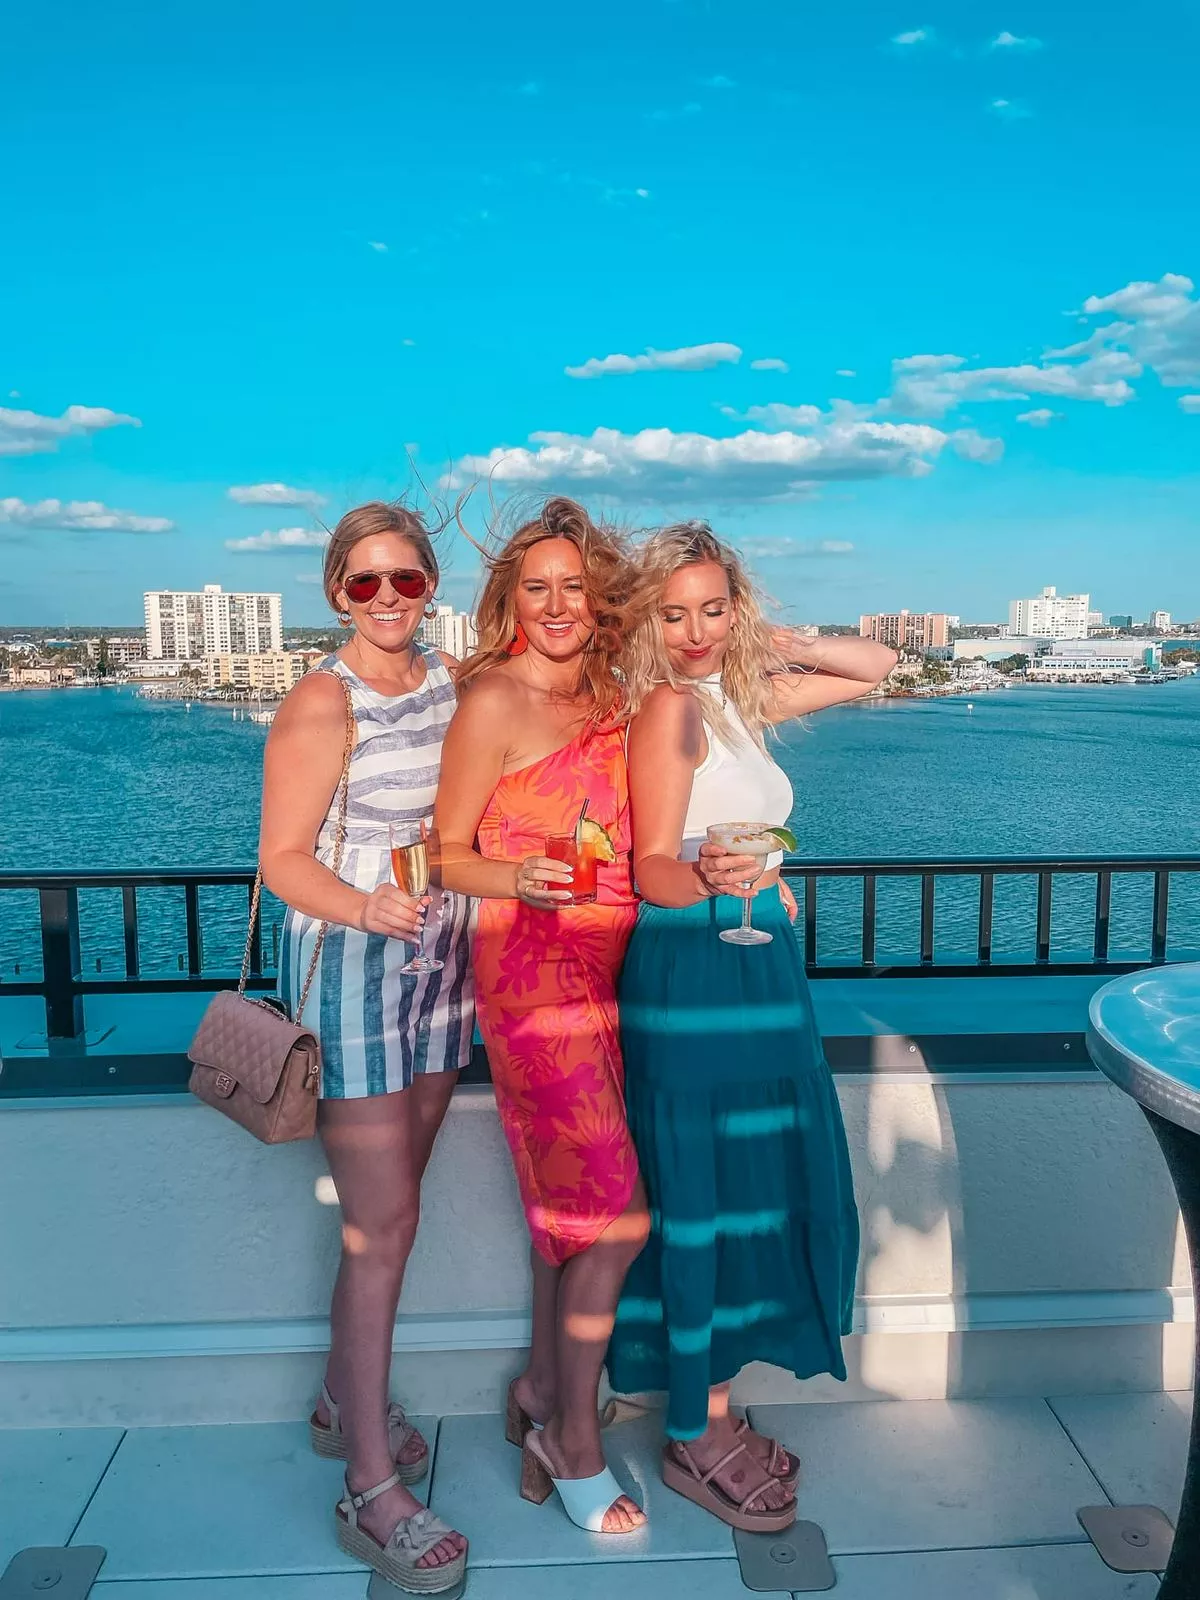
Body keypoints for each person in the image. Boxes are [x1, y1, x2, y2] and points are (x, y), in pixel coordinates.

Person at [607, 520, 897, 1532]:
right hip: (695, 964)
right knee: (703, 1195)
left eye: (713, 607)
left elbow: (877, 664)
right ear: (647, 620)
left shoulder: (733, 699)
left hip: (756, 955)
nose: (694, 630)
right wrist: (721, 877)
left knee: (754, 1181)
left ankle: (712, 1403)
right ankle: (693, 1429)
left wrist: (773, 640)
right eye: (674, 612)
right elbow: (650, 864)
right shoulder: (670, 711)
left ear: (738, 606)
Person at [260, 500, 471, 1595]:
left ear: (429, 585)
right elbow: (282, 861)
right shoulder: (318, 700)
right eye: (365, 583)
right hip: (353, 977)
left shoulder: (449, 684)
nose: (387, 600)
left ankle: (343, 1396)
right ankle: (370, 1485)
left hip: (445, 972)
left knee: (392, 1210)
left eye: (406, 580)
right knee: (383, 1226)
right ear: (337, 591)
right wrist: (363, 903)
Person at [434, 496, 651, 1536]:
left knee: (569, 1217)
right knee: (619, 1221)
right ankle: (573, 1438)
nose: (558, 604)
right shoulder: (493, 700)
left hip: (609, 977)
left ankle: (538, 1389)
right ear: (509, 601)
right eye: (537, 588)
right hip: (529, 978)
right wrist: (512, 872)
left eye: (575, 585)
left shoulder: (616, 694)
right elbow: (444, 855)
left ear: (596, 597)